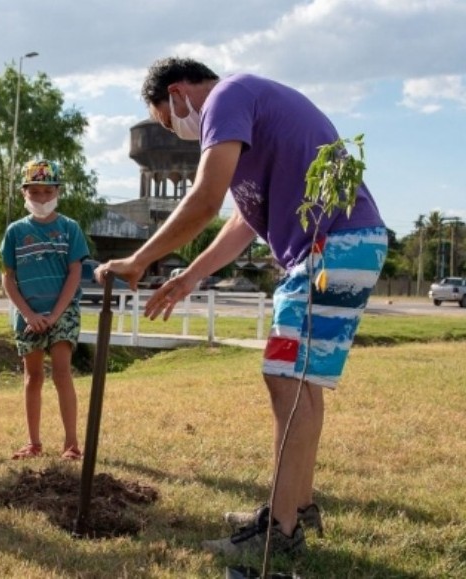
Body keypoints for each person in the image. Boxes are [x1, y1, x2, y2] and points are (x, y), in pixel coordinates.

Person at [96, 57, 386, 557]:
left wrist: (141, 259)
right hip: (350, 242)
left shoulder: (227, 97)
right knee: (300, 385)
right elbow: (242, 222)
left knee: (283, 379)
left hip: (328, 246)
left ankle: (279, 530)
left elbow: (206, 200)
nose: (178, 129)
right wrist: (190, 275)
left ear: (179, 91)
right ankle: (297, 506)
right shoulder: (250, 115)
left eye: (169, 118)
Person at [0, 160, 90, 461]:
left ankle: (72, 444)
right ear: (25, 193)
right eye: (34, 191)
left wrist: (54, 315)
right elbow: (7, 278)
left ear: (57, 191)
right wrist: (29, 314)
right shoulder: (15, 232)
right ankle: (33, 442)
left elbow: (75, 273)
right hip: (28, 314)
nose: (40, 198)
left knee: (62, 373)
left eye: (46, 191)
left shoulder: (69, 229)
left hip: (62, 312)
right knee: (33, 376)